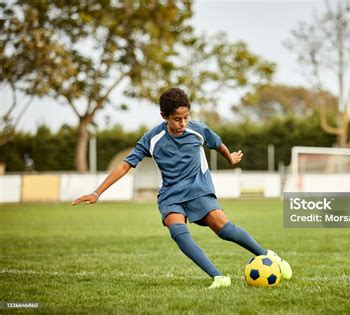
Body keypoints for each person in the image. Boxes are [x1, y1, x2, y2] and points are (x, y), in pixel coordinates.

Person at [73, 87, 292, 288]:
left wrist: (230, 158)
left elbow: (216, 142)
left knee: (224, 230)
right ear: (164, 117)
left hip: (198, 187)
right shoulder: (152, 138)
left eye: (186, 117)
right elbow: (125, 164)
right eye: (177, 119)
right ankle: (218, 277)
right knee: (177, 230)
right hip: (171, 194)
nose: (183, 123)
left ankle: (269, 255)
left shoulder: (197, 129)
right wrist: (97, 192)